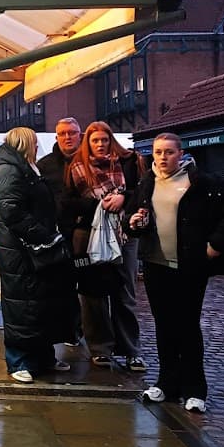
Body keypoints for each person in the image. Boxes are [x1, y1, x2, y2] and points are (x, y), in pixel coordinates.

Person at [125, 133, 224, 413]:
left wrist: (215, 246)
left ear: (180, 153)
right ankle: (167, 384)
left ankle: (195, 389)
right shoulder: (147, 182)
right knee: (164, 326)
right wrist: (132, 222)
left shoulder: (202, 183)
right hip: (156, 265)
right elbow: (132, 218)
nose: (163, 157)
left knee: (188, 326)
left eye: (169, 152)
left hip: (189, 267)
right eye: (158, 152)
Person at [0, 127, 79, 383]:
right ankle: (19, 360)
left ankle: (42, 358)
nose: (38, 146)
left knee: (38, 305)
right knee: (23, 306)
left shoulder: (23, 167)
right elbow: (12, 212)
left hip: (34, 250)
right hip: (22, 251)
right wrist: (43, 235)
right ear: (26, 143)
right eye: (35, 142)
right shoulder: (10, 169)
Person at [64, 120, 146, 371]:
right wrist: (97, 206)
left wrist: (124, 198)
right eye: (95, 140)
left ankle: (131, 350)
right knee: (92, 293)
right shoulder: (76, 166)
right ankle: (100, 348)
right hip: (87, 237)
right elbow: (67, 203)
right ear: (87, 143)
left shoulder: (130, 162)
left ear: (111, 140)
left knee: (126, 292)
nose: (100, 144)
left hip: (125, 235)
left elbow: (143, 193)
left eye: (104, 139)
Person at [37, 117, 83, 344]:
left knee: (90, 286)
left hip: (88, 233)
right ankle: (69, 331)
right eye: (63, 133)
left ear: (79, 135)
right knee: (62, 285)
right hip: (59, 235)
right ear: (56, 137)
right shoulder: (45, 165)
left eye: (72, 133)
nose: (67, 137)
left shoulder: (90, 160)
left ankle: (95, 336)